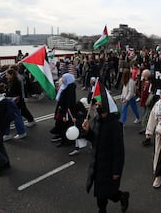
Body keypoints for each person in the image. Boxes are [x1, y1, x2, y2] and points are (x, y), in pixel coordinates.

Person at [81, 81, 129, 213]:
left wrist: (116, 171)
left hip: (108, 165)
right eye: (96, 104)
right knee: (103, 191)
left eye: (99, 104)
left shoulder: (115, 125)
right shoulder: (96, 120)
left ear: (107, 106)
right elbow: (93, 139)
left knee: (104, 191)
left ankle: (105, 208)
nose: (96, 106)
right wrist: (87, 130)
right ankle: (121, 196)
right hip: (97, 162)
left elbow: (119, 151)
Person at [51, 73, 76, 146]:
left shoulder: (70, 89)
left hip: (66, 110)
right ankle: (59, 135)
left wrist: (65, 114)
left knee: (64, 125)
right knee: (59, 122)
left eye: (64, 78)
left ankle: (64, 140)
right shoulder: (65, 86)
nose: (62, 79)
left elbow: (68, 102)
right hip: (61, 107)